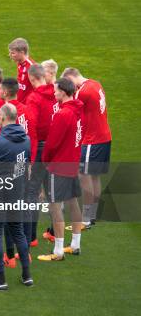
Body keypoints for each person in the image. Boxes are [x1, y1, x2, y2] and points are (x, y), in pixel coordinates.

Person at [0, 104, 33, 290]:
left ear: (2, 119)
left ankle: (1, 280)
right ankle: (27, 276)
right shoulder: (26, 140)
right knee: (17, 231)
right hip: (17, 191)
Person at [38, 78, 84, 261]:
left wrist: (44, 162)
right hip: (73, 162)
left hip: (59, 166)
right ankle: (75, 244)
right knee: (73, 202)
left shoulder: (63, 114)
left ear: (64, 92)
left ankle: (57, 251)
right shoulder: (79, 110)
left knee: (55, 207)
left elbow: (51, 145)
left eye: (56, 90)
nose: (53, 93)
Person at [62, 68, 112, 228]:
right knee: (94, 176)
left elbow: (70, 109)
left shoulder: (82, 92)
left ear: (71, 78)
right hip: (104, 136)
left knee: (84, 174)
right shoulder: (95, 83)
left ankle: (86, 218)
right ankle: (92, 215)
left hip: (92, 139)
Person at [25, 64, 59, 246]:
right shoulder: (56, 94)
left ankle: (31, 237)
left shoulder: (34, 98)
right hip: (55, 148)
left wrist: (30, 159)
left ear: (31, 79)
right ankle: (54, 232)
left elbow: (32, 130)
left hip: (39, 149)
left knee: (32, 191)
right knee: (52, 191)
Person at [8, 38, 36, 103]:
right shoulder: (20, 64)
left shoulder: (32, 67)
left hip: (28, 106)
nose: (10, 55)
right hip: (20, 104)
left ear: (21, 53)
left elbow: (39, 89)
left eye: (13, 53)